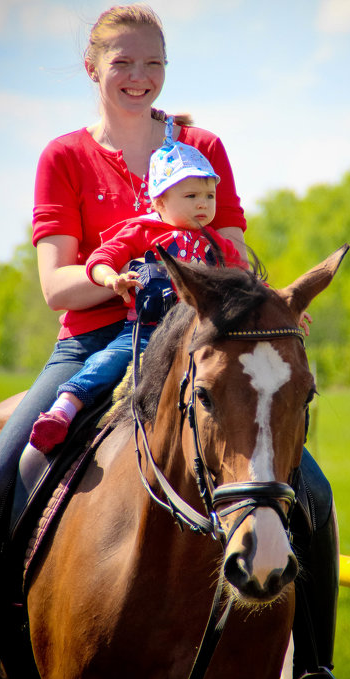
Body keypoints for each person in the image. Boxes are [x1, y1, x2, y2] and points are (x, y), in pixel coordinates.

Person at [0, 4, 347, 679]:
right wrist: (126, 275)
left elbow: (233, 252)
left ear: (166, 69)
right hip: (91, 344)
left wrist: (255, 302)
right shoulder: (64, 156)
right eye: (123, 63)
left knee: (312, 490)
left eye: (152, 63)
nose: (138, 77)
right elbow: (57, 285)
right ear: (93, 69)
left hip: (198, 341)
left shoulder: (202, 144)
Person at [26, 121, 247, 455]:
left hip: (197, 337)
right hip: (143, 332)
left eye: (209, 196)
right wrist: (111, 279)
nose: (203, 204)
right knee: (109, 361)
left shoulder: (215, 244)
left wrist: (280, 306)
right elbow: (102, 258)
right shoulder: (142, 233)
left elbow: (244, 279)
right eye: (191, 196)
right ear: (158, 202)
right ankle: (64, 408)